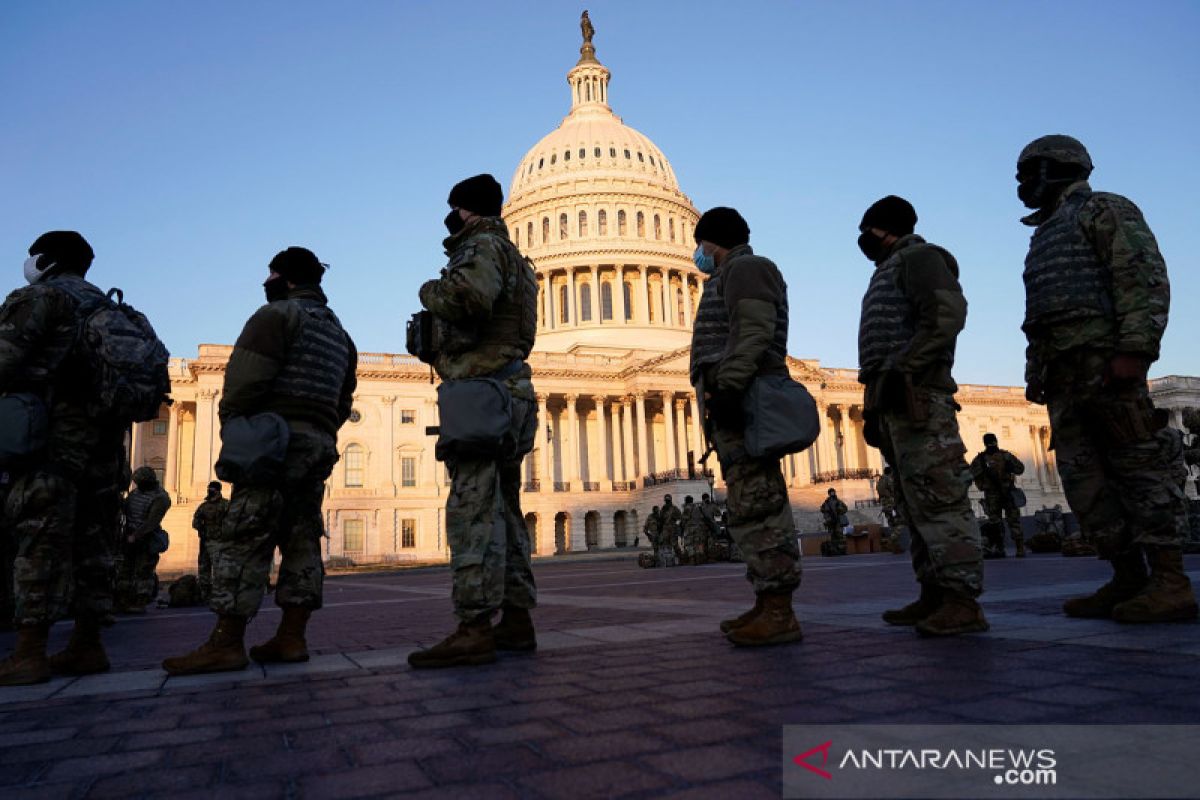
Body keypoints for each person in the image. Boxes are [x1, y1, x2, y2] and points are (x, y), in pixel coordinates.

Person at [1017, 135, 1196, 622]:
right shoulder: (1047, 231)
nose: (1022, 183)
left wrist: (1136, 350)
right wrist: (1037, 370)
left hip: (1105, 364)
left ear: (1060, 168)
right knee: (1085, 478)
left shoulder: (1103, 209)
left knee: (1138, 468)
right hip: (1064, 371)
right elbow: (1043, 313)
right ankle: (1127, 577)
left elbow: (1141, 277)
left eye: (1029, 171)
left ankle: (1170, 581)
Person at [163, 246, 357, 675]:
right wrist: (318, 429)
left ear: (285, 279)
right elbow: (343, 400)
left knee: (246, 535)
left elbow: (243, 383)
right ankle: (292, 637)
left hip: (273, 440)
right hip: (317, 444)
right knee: (303, 538)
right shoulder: (340, 335)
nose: (265, 281)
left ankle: (226, 642)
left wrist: (237, 426)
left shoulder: (275, 317)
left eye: (270, 274)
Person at [406, 174, 539, 669]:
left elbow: (469, 299)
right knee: (504, 512)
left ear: (465, 211)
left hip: (482, 392)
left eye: (452, 210)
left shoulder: (481, 247)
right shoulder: (517, 260)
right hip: (510, 392)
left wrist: (429, 291)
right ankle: (518, 619)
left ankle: (474, 626)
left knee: (472, 512)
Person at [0, 231, 130, 684]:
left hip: (50, 438)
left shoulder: (42, 298)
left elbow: (4, 360)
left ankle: (30, 652)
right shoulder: (113, 310)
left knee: (38, 538)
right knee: (95, 546)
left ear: (46, 260)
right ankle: (87, 645)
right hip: (106, 447)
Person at [856, 195, 987, 636]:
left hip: (919, 395)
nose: (862, 239)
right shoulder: (890, 268)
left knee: (939, 496)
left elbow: (948, 314)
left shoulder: (921, 258)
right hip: (892, 398)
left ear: (884, 228)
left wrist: (908, 367)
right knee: (915, 503)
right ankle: (933, 592)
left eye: (867, 229)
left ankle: (962, 599)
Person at [689, 206, 802, 647]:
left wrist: (731, 389)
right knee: (748, 505)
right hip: (734, 400)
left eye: (699, 245)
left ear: (710, 241)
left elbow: (754, 332)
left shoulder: (747, 269)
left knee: (761, 503)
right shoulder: (730, 274)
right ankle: (766, 602)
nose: (697, 254)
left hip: (745, 399)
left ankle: (779, 610)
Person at [115, 466, 171, 613]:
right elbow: (127, 508)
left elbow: (151, 522)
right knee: (125, 570)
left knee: (144, 571)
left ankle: (140, 602)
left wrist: (136, 536)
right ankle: (123, 599)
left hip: (146, 537)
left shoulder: (161, 497)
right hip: (129, 535)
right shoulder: (136, 492)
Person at [969, 433, 1027, 557]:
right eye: (990, 442)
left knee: (1010, 521)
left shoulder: (1005, 456)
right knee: (997, 523)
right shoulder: (981, 460)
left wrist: (1010, 467)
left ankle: (1016, 547)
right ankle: (1003, 548)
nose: (992, 445)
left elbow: (1020, 469)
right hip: (993, 494)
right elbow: (972, 474)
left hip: (1005, 493)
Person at [191, 481, 228, 603]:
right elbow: (195, 521)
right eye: (209, 488)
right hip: (205, 541)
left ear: (218, 490)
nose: (210, 490)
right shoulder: (204, 506)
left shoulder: (225, 505)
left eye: (212, 489)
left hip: (219, 542)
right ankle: (205, 593)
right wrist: (201, 528)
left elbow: (231, 522)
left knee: (219, 569)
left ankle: (219, 593)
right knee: (203, 568)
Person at [820, 489, 849, 556]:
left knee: (840, 535)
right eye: (831, 493)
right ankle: (835, 551)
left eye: (833, 492)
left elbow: (845, 508)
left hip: (838, 521)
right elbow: (822, 509)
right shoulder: (827, 502)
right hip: (831, 521)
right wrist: (828, 515)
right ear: (829, 494)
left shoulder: (838, 501)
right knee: (833, 536)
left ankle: (842, 550)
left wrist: (840, 511)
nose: (832, 494)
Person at [680, 496, 706, 565]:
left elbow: (683, 519)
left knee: (689, 544)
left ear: (686, 501)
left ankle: (692, 559)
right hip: (698, 528)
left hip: (690, 529)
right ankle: (698, 558)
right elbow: (701, 517)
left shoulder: (687, 508)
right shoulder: (697, 508)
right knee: (697, 543)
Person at [659, 494, 683, 562]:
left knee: (675, 545)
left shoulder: (674, 508)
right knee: (666, 545)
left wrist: (676, 524)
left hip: (672, 529)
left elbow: (680, 517)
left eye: (668, 501)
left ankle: (681, 558)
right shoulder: (663, 509)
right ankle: (669, 560)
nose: (667, 502)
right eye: (666, 501)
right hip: (665, 529)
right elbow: (661, 519)